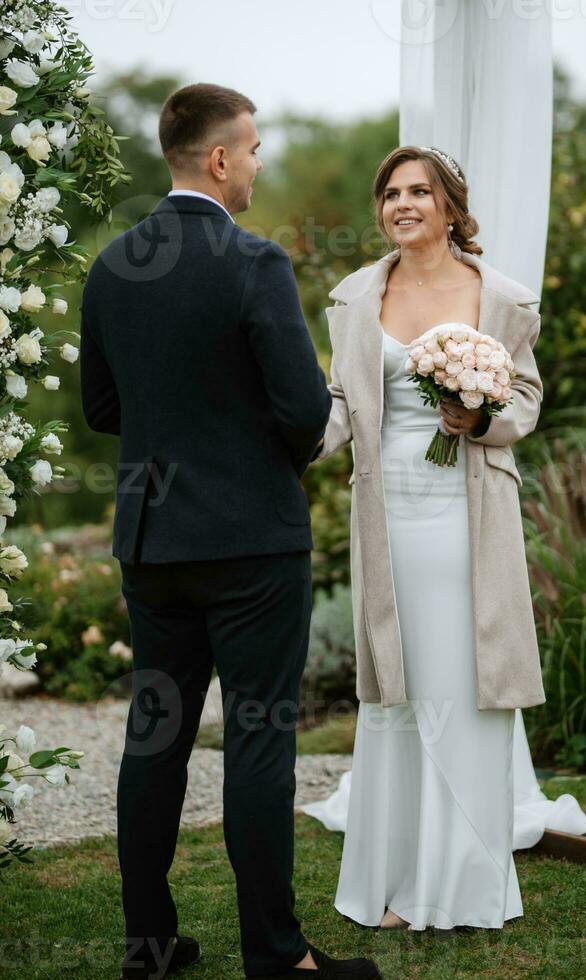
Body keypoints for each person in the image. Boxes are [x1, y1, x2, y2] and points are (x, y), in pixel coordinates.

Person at [80, 82, 381, 980]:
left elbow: (102, 406)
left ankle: (152, 949)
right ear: (218, 159)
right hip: (252, 545)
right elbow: (299, 409)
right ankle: (280, 959)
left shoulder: (110, 265)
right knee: (258, 738)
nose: (257, 163)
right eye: (251, 149)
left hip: (153, 544)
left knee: (154, 739)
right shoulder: (255, 263)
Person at [311, 146, 546, 931]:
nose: (402, 203)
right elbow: (342, 403)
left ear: (450, 206)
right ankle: (390, 877)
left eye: (419, 191)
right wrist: (289, 436)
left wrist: (480, 418)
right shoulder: (353, 297)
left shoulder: (501, 297)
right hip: (390, 519)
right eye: (390, 193)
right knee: (397, 693)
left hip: (469, 515)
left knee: (465, 683)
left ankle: (462, 882)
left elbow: (527, 398)